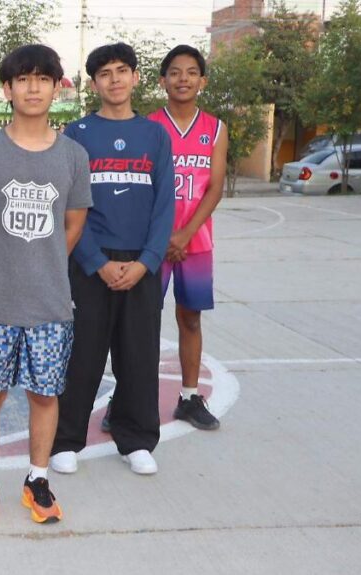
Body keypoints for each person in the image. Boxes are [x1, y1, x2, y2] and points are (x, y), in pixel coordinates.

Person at [0, 44, 91, 527]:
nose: (33, 88)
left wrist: (42, 263)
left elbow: (73, 227)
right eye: (23, 79)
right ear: (7, 88)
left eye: (43, 79)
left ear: (57, 87)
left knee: (45, 395)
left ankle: (37, 479)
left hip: (50, 304)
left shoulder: (73, 156)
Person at [50, 43, 174, 476]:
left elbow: (165, 206)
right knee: (82, 355)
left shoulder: (155, 135)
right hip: (91, 263)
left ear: (136, 77)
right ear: (93, 84)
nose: (115, 79)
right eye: (105, 73)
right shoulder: (77, 134)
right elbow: (67, 207)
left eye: (122, 71)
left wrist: (146, 261)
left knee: (138, 355)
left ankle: (135, 438)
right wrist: (95, 260)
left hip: (141, 264)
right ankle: (66, 439)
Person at [145, 45, 226, 430]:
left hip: (195, 242)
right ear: (163, 80)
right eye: (175, 72)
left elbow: (215, 188)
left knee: (190, 318)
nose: (183, 79)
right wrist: (164, 236)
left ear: (202, 81)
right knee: (141, 322)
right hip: (153, 241)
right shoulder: (148, 127)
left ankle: (190, 398)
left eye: (191, 72)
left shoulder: (215, 128)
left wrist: (186, 233)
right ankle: (127, 397)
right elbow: (142, 188)